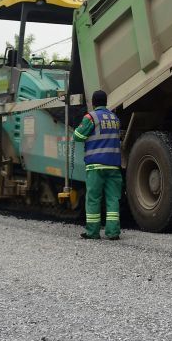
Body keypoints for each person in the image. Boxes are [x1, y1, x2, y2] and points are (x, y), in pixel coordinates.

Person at [73, 90, 122, 240]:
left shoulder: (91, 117)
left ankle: (93, 232)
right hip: (113, 165)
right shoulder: (115, 118)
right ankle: (113, 232)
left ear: (93, 103)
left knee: (94, 198)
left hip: (95, 166)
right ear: (106, 102)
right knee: (113, 198)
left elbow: (78, 136)